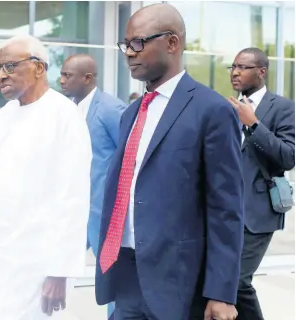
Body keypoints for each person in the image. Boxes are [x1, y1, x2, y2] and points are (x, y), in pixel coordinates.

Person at [95, 3, 244, 320]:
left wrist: (221, 293)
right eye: (126, 45)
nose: (129, 53)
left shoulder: (211, 110)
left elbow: (226, 208)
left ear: (172, 43)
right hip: (126, 274)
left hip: (178, 282)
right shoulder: (131, 114)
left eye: (138, 43)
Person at [0, 35, 92, 320]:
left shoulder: (64, 115)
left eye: (9, 65)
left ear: (38, 68)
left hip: (32, 260)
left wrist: (59, 272)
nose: (2, 75)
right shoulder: (5, 114)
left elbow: (73, 196)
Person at [227, 48, 295, 320]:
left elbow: (288, 157)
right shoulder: (226, 107)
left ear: (261, 72)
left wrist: (253, 124)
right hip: (225, 210)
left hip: (258, 212)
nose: (235, 72)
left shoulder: (282, 107)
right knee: (219, 281)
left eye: (243, 67)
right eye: (232, 66)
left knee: (239, 281)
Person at [60, 54, 126, 320]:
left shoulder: (112, 110)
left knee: (112, 279)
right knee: (53, 267)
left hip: (103, 214)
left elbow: (129, 160)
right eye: (62, 74)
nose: (61, 80)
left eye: (67, 75)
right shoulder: (67, 109)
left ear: (87, 78)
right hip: (74, 211)